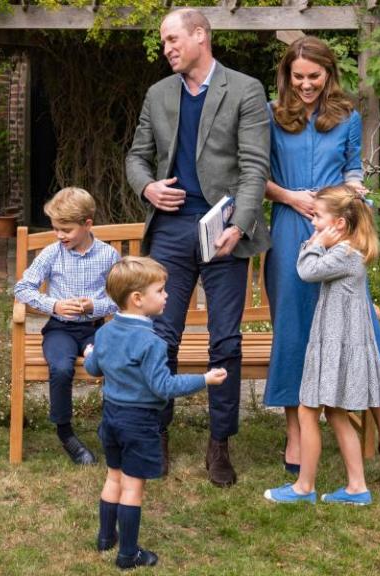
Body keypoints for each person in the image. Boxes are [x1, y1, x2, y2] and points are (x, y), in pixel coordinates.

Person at [125, 7, 271, 487]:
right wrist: (147, 188)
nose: (165, 48)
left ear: (200, 36)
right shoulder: (158, 94)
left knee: (224, 341)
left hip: (224, 232)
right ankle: (157, 434)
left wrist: (242, 224)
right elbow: (135, 156)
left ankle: (219, 443)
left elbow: (254, 168)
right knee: (160, 339)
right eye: (163, 41)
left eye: (172, 39)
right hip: (170, 231)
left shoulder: (245, 90)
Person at [262, 36, 380, 486]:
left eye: (315, 76)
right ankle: (294, 432)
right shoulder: (270, 115)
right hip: (290, 227)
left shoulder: (346, 116)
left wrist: (352, 189)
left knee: (360, 325)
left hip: (338, 229)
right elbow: (257, 175)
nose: (306, 85)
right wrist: (291, 197)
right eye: (298, 76)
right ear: (287, 75)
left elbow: (353, 167)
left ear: (329, 74)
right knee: (293, 326)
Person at [84, 256, 227, 569]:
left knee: (113, 477)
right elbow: (163, 386)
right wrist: (205, 379)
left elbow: (94, 368)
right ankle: (128, 554)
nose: (167, 296)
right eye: (161, 290)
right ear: (138, 299)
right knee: (133, 487)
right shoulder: (152, 342)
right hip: (139, 423)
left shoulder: (105, 332)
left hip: (111, 417)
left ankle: (106, 538)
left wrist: (88, 353)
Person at [265, 185, 380, 505]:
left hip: (335, 347)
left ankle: (303, 487)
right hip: (334, 343)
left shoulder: (343, 254)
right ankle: (357, 487)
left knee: (308, 411)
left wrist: (314, 242)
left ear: (340, 225)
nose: (313, 223)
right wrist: (320, 238)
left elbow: (306, 271)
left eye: (319, 217)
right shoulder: (348, 251)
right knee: (335, 413)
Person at [13, 187, 120, 465]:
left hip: (96, 329)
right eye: (55, 229)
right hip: (59, 329)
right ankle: (66, 433)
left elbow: (121, 297)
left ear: (87, 224)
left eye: (66, 230)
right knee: (60, 368)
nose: (60, 235)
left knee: (113, 364)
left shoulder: (108, 255)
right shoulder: (52, 253)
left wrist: (93, 306)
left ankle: (109, 428)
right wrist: (54, 305)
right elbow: (22, 288)